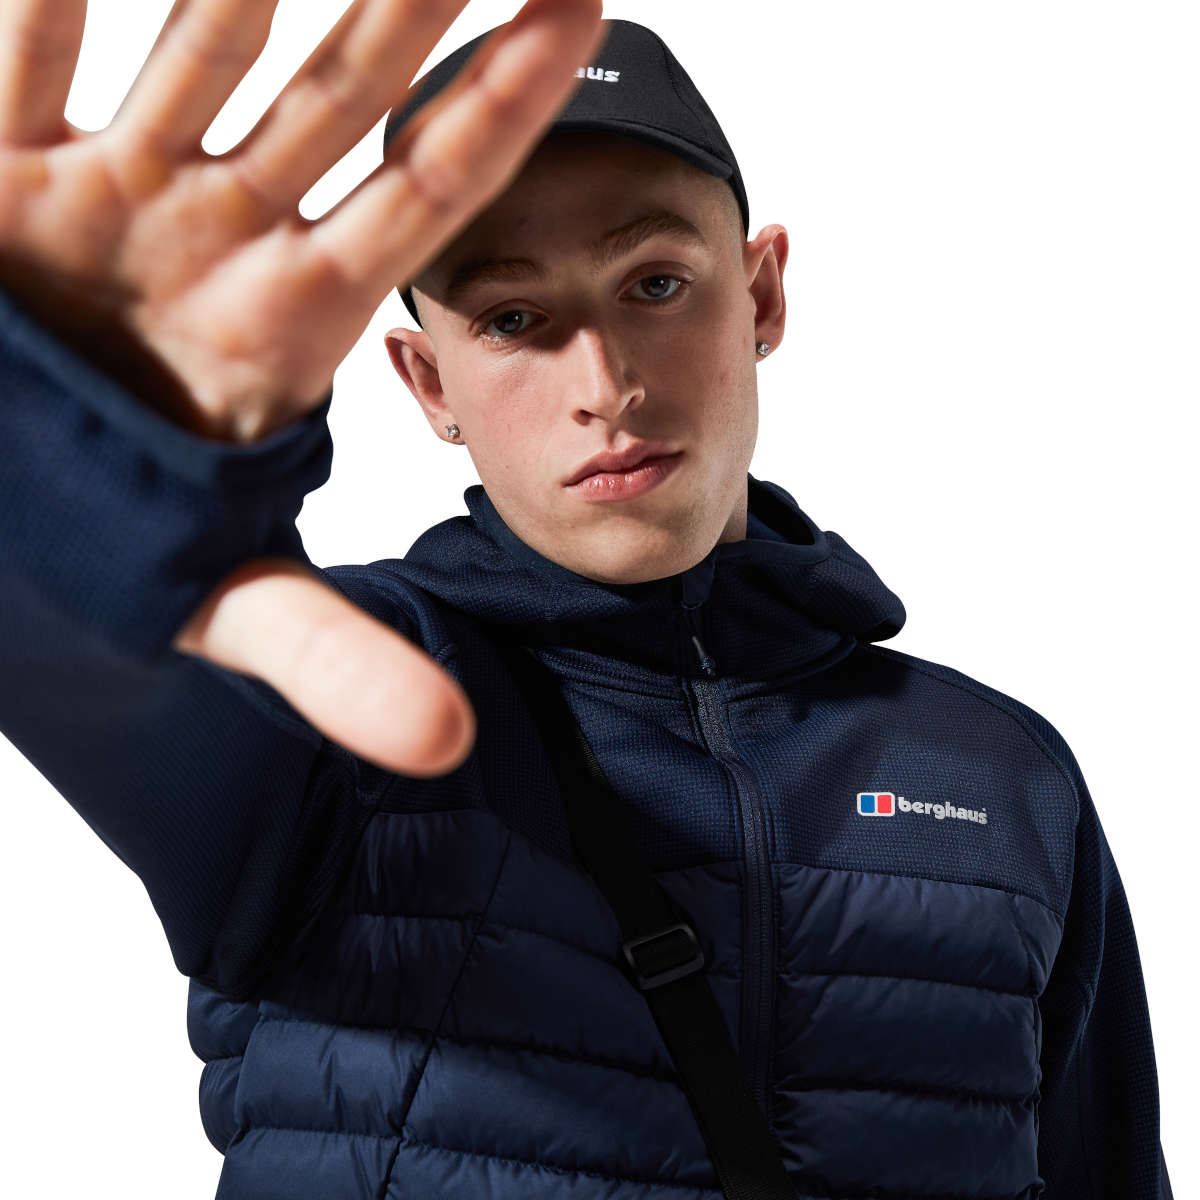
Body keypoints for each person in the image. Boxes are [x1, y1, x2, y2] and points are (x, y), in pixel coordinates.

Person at [0, 3, 1174, 1198]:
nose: (604, 385)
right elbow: (80, 653)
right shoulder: (329, 706)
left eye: (655, 283)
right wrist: (68, 476)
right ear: (427, 382)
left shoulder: (1003, 776)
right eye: (513, 319)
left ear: (762, 297)